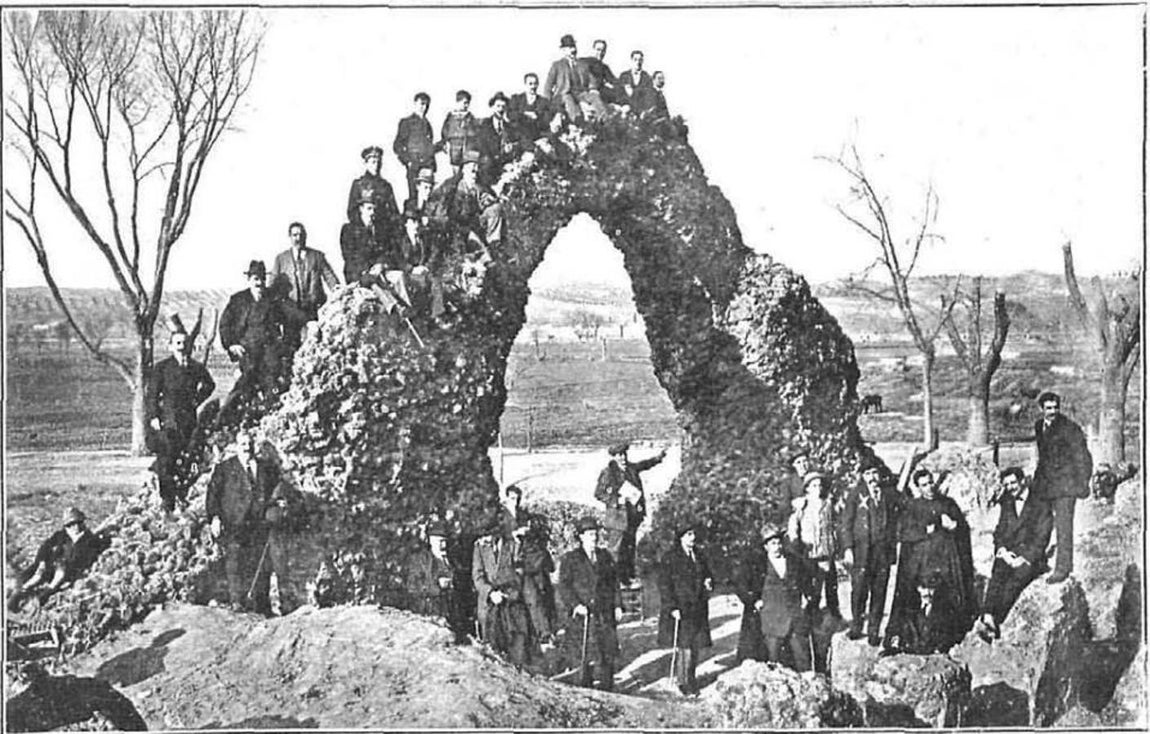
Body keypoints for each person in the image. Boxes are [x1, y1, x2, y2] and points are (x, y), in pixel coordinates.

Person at [206, 430, 299, 615]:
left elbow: (278, 488)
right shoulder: (225, 468)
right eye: (242, 444)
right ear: (236, 446)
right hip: (234, 524)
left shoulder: (265, 467)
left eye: (249, 444)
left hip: (258, 525)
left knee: (261, 566)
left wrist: (279, 501)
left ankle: (261, 608)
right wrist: (215, 518)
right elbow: (212, 495)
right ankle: (237, 604)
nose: (246, 447)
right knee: (235, 564)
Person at [887, 461, 976, 648]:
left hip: (944, 562)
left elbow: (962, 528)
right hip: (921, 563)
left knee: (945, 600)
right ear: (918, 487)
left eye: (930, 483)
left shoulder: (947, 503)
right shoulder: (912, 506)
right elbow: (903, 533)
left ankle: (945, 638)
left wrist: (954, 526)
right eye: (924, 485)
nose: (929, 487)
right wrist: (926, 530)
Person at [975, 467, 1054, 641]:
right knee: (997, 574)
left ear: (1022, 481)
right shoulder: (1007, 502)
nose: (1011, 487)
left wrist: (1024, 558)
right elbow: (1000, 531)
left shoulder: (1040, 503)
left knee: (1014, 581)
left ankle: (996, 619)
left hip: (1030, 557)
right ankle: (987, 615)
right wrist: (1002, 550)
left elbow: (1042, 537)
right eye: (1007, 485)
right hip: (1010, 554)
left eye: (1013, 483)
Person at [146, 328, 215, 512]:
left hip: (188, 419)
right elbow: (151, 395)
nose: (181, 347)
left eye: (185, 343)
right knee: (167, 459)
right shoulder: (162, 368)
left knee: (187, 456)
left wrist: (196, 400)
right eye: (177, 343)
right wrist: (154, 416)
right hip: (168, 420)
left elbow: (210, 385)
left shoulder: (195, 367)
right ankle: (167, 501)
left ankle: (182, 495)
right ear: (170, 346)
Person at [218, 261, 295, 422]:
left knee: (272, 382)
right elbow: (225, 325)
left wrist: (306, 323)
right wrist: (232, 344)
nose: (259, 283)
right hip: (247, 349)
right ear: (249, 280)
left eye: (261, 278)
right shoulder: (238, 300)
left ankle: (269, 419)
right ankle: (226, 419)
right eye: (255, 279)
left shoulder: (273, 298)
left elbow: (290, 316)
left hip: (269, 349)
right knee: (245, 384)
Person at [1032, 391, 1092, 583]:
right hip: (1046, 484)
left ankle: (1063, 568)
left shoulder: (1070, 428)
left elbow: (1083, 457)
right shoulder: (1039, 426)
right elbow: (1043, 457)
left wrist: (1081, 483)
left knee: (1063, 527)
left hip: (1066, 486)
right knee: (1041, 523)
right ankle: (1039, 561)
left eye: (1055, 407)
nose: (1053, 412)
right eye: (1048, 408)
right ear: (1041, 409)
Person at [557, 516, 623, 690]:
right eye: (589, 534)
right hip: (582, 615)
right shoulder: (570, 559)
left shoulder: (605, 556)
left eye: (595, 534)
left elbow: (614, 583)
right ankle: (584, 688)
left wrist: (617, 605)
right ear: (581, 537)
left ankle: (607, 689)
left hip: (604, 613)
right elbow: (564, 586)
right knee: (584, 654)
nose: (593, 538)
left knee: (606, 652)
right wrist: (576, 605)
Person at [840, 459, 899, 646]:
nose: (872, 478)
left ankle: (874, 630)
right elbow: (846, 524)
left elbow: (904, 508)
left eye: (874, 473)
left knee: (879, 591)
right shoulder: (855, 495)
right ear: (862, 477)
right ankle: (856, 626)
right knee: (859, 590)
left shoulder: (889, 495)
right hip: (861, 551)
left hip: (882, 551)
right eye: (867, 474)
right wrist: (848, 548)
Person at [8, 508, 108, 613]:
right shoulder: (60, 536)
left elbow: (90, 556)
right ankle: (17, 597)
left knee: (58, 576)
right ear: (67, 526)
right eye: (71, 524)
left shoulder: (89, 539)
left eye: (78, 523)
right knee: (33, 577)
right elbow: (45, 548)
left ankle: (43, 596)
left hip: (69, 570)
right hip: (51, 565)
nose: (75, 527)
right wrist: (42, 561)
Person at [594, 442, 667, 585]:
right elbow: (598, 493)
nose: (622, 457)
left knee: (629, 548)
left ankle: (628, 577)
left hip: (632, 518)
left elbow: (645, 464)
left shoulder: (631, 469)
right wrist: (616, 500)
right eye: (619, 455)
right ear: (614, 457)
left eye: (624, 454)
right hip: (617, 519)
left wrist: (659, 457)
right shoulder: (608, 472)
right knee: (615, 551)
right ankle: (613, 580)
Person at [657, 525, 712, 696]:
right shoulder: (671, 557)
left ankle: (691, 678)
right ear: (681, 537)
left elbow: (707, 574)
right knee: (685, 645)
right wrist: (672, 607)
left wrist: (709, 581)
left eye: (694, 534)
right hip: (681, 608)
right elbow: (664, 585)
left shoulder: (699, 555)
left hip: (698, 607)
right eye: (689, 534)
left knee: (695, 644)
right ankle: (684, 682)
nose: (692, 538)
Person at [472, 515, 533, 668]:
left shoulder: (512, 545)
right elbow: (477, 576)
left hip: (511, 603)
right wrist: (490, 593)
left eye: (488, 536)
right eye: (483, 536)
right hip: (489, 603)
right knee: (492, 651)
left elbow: (520, 572)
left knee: (515, 645)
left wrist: (509, 593)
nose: (485, 540)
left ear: (496, 533)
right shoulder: (479, 547)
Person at [269, 221, 340, 350]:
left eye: (301, 235)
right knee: (290, 346)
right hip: (290, 311)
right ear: (290, 237)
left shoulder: (317, 256)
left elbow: (329, 277)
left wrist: (337, 291)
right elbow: (272, 284)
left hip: (313, 309)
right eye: (295, 235)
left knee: (314, 344)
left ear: (306, 236)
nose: (298, 238)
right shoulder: (281, 259)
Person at [341, 194, 414, 316]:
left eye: (374, 209)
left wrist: (380, 264)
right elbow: (348, 255)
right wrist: (367, 270)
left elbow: (385, 251)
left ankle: (408, 308)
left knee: (398, 276)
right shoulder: (349, 229)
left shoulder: (378, 229)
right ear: (361, 209)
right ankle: (394, 308)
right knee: (373, 283)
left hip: (378, 270)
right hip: (358, 272)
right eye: (369, 208)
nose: (372, 212)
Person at [758, 522, 814, 671]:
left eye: (778, 543)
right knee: (773, 661)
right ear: (766, 547)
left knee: (802, 657)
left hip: (794, 616)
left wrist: (806, 596)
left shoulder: (793, 560)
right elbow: (743, 584)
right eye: (773, 544)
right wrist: (754, 600)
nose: (777, 547)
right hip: (772, 619)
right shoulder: (759, 564)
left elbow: (806, 579)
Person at [428, 150, 505, 257]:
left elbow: (486, 201)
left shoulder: (478, 187)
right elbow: (441, 207)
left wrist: (491, 202)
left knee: (495, 209)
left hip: (474, 223)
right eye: (471, 169)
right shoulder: (453, 187)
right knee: (480, 253)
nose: (475, 171)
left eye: (476, 168)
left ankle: (494, 244)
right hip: (457, 227)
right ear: (464, 169)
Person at [788, 471, 840, 619]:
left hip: (826, 549)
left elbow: (836, 523)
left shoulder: (828, 504)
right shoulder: (802, 505)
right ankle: (813, 611)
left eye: (820, 485)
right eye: (814, 485)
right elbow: (793, 525)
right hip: (809, 551)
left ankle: (834, 612)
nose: (818, 488)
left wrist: (835, 543)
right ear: (807, 488)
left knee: (830, 583)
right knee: (812, 585)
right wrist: (795, 541)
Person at [404, 520, 467, 641]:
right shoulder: (420, 561)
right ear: (430, 541)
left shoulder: (452, 561)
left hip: (451, 615)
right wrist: (437, 586)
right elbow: (412, 587)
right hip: (429, 615)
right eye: (439, 542)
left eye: (445, 542)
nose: (443, 545)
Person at [403, 168, 448, 321]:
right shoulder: (410, 204)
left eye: (430, 187)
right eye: (424, 187)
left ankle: (438, 315)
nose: (427, 191)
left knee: (433, 279)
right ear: (418, 186)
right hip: (413, 248)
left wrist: (429, 222)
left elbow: (443, 223)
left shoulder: (435, 205)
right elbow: (407, 223)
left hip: (429, 245)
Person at [882, 573, 963, 656]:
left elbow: (948, 638)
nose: (927, 593)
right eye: (923, 588)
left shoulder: (944, 612)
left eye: (931, 588)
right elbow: (894, 633)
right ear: (918, 588)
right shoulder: (909, 610)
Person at [543, 34, 607, 123]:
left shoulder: (583, 64)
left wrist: (593, 89)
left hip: (581, 94)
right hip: (564, 94)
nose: (573, 50)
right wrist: (547, 103)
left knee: (594, 96)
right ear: (563, 50)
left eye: (573, 46)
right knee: (568, 99)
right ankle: (577, 120)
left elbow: (591, 80)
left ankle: (603, 119)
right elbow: (548, 86)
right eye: (569, 48)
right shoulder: (557, 65)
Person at [732, 524, 771, 663]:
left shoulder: (779, 558)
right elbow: (740, 585)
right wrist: (753, 600)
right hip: (755, 608)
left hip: (775, 608)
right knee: (754, 645)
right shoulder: (751, 559)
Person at [393, 92, 437, 200]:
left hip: (427, 166)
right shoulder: (406, 122)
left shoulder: (428, 125)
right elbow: (397, 145)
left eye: (427, 105)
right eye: (422, 104)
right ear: (415, 104)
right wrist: (407, 161)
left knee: (427, 198)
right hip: (414, 166)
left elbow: (429, 147)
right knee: (414, 197)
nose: (424, 107)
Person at [346, 146, 403, 228]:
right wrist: (364, 222)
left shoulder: (386, 186)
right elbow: (351, 211)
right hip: (363, 229)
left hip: (383, 229)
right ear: (366, 163)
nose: (376, 166)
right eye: (373, 162)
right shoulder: (358, 184)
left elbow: (394, 211)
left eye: (378, 162)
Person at [478, 92, 517, 185]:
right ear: (492, 107)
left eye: (503, 106)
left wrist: (511, 148)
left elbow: (514, 144)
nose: (500, 109)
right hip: (488, 164)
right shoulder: (485, 124)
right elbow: (481, 145)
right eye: (498, 106)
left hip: (504, 164)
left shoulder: (509, 127)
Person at [439, 90, 481, 176]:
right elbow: (444, 131)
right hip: (454, 146)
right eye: (464, 103)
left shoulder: (470, 117)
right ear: (458, 102)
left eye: (468, 103)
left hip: (466, 146)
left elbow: (475, 132)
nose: (466, 105)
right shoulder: (450, 116)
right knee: (456, 171)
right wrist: (445, 142)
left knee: (467, 171)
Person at [509, 72, 551, 143]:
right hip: (520, 137)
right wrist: (525, 114)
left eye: (535, 84)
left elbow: (546, 121)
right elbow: (511, 115)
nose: (533, 87)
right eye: (530, 84)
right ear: (525, 84)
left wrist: (537, 116)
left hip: (538, 137)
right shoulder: (516, 99)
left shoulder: (544, 102)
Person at [580, 39, 619, 104]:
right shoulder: (583, 62)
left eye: (603, 51)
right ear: (593, 50)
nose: (600, 53)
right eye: (598, 50)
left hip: (599, 92)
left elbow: (613, 81)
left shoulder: (604, 67)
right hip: (586, 92)